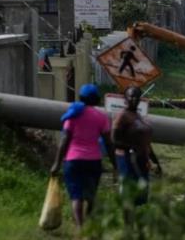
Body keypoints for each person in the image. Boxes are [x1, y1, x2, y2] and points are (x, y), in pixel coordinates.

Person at [50, 84, 117, 230]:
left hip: (73, 160)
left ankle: (80, 227)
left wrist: (56, 163)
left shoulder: (73, 114)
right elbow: (109, 143)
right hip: (93, 161)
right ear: (97, 99)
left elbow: (65, 140)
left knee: (76, 196)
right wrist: (115, 164)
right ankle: (89, 219)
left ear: (81, 98)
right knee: (90, 194)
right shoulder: (102, 117)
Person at [113, 86, 161, 207]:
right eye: (131, 96)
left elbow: (146, 143)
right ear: (125, 99)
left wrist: (156, 161)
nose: (134, 99)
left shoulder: (139, 116)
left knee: (142, 195)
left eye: (136, 97)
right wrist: (132, 147)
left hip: (141, 160)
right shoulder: (122, 116)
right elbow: (114, 140)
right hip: (127, 160)